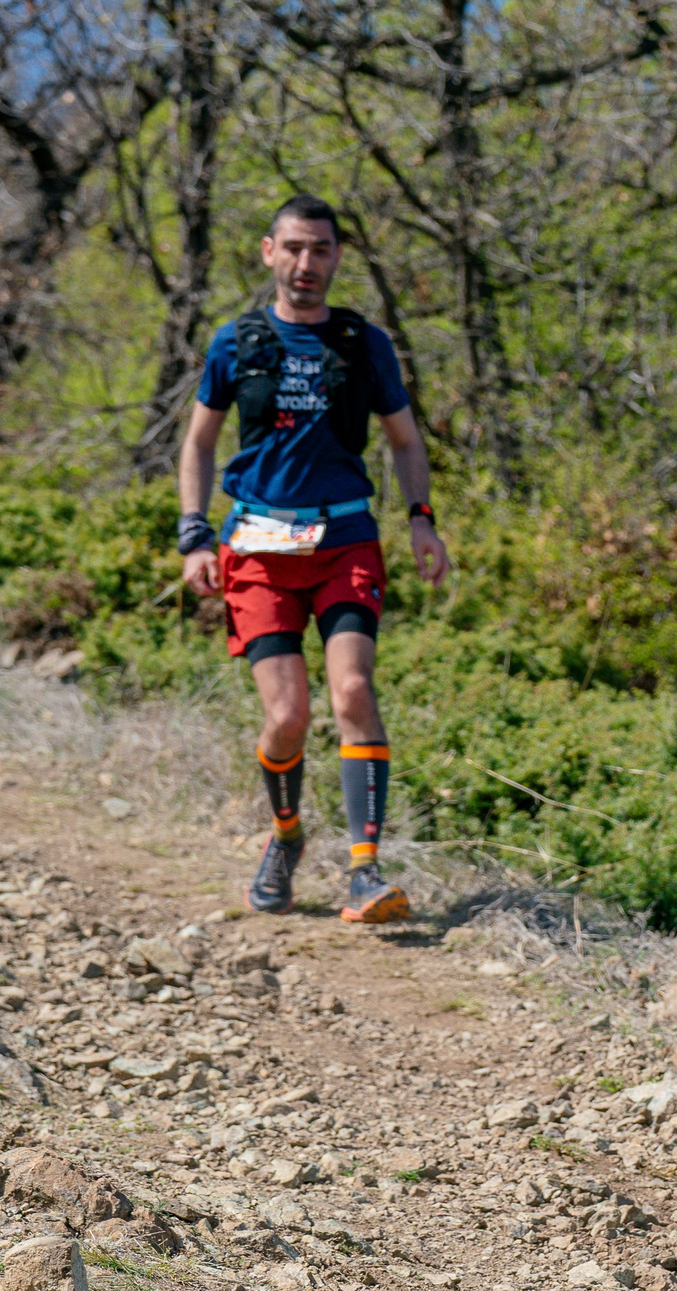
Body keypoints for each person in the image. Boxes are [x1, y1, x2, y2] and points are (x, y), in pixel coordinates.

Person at [177, 192, 448, 923]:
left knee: (353, 691)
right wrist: (194, 532)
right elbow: (199, 442)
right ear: (269, 251)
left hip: (345, 540)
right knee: (288, 716)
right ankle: (286, 836)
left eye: (320, 250)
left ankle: (365, 871)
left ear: (336, 258)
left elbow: (405, 440)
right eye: (293, 248)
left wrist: (421, 521)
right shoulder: (237, 342)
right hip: (259, 547)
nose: (306, 263)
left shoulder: (364, 344)